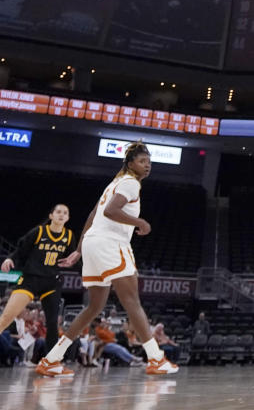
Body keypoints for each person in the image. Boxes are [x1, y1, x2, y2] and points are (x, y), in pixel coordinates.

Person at [36, 142, 178, 377]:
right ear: (131, 163)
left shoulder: (114, 183)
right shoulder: (130, 183)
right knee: (132, 301)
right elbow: (111, 211)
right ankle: (156, 358)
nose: (147, 165)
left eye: (149, 162)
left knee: (94, 306)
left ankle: (52, 359)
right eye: (142, 161)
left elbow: (94, 214)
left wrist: (80, 249)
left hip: (93, 243)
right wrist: (140, 222)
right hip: (110, 243)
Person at [0, 204, 80, 366]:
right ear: (51, 216)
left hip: (51, 281)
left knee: (52, 323)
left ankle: (51, 363)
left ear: (68, 218)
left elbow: (72, 259)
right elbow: (21, 250)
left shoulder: (69, 236)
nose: (61, 215)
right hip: (30, 279)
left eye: (65, 213)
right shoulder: (39, 232)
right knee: (7, 317)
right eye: (58, 212)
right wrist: (10, 259)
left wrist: (75, 264)